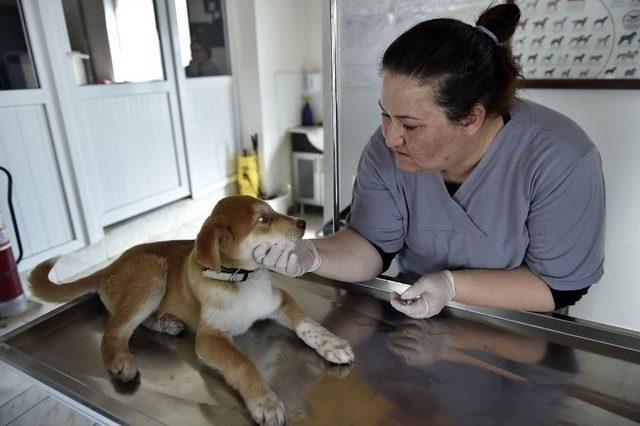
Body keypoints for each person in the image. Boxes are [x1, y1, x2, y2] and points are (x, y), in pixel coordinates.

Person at [253, 4, 605, 319]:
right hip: (413, 318)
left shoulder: (561, 159)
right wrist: (311, 255)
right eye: (385, 115)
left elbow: (558, 286)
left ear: (471, 118)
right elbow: (371, 245)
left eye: (410, 124)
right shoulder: (386, 149)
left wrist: (451, 286)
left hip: (519, 333)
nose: (391, 137)